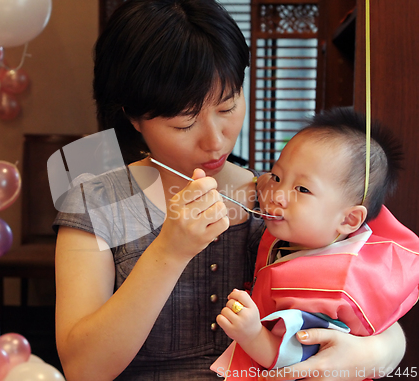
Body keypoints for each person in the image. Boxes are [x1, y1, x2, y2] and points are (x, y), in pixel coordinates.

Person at [52, 1, 406, 380]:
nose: (216, 141)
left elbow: (373, 294)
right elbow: (83, 370)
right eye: (185, 124)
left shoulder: (280, 198)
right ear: (133, 117)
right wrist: (169, 252)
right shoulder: (97, 202)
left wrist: (378, 351)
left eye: (227, 106)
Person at [212, 108, 419, 379]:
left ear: (349, 219)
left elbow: (295, 358)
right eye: (277, 176)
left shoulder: (327, 289)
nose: (277, 194)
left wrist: (251, 334)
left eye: (302, 189)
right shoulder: (334, 232)